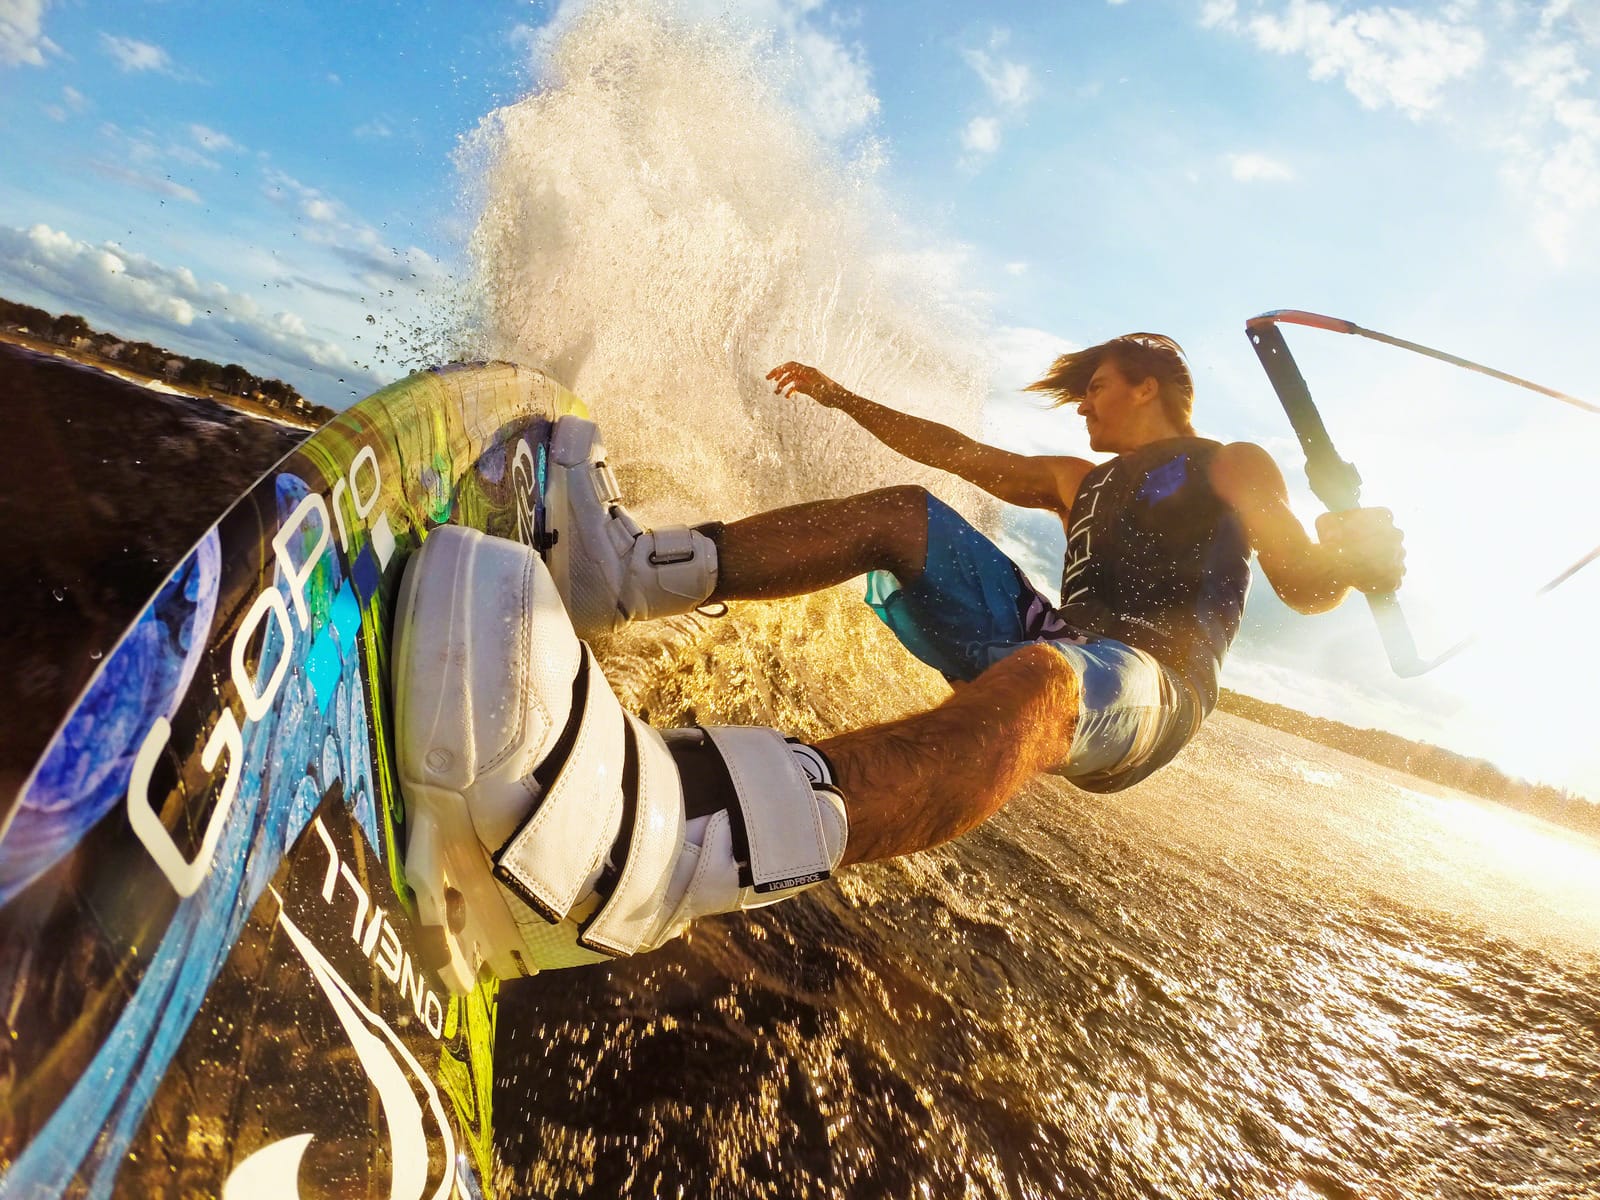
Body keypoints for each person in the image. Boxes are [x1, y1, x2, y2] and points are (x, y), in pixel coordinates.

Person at [392, 334, 1405, 993]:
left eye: (1095, 387)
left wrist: (1353, 555)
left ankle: (681, 854)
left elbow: (1301, 576)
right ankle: (623, 574)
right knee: (906, 517)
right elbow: (953, 452)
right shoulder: (1077, 480)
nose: (1084, 407)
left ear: (1146, 385)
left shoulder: (1230, 462)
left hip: (1150, 685)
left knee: (1050, 681)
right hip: (1057, 639)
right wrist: (842, 399)